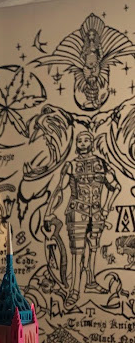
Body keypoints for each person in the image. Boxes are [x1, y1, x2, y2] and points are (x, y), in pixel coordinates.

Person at [44, 130, 120, 309]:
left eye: (86, 140)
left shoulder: (101, 164)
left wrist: (106, 207)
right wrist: (49, 211)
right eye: (80, 141)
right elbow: (60, 190)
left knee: (93, 248)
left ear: (91, 143)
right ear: (77, 144)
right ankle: (74, 290)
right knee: (77, 253)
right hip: (77, 213)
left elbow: (116, 187)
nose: (83, 143)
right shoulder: (71, 166)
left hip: (97, 214)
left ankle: (90, 282)